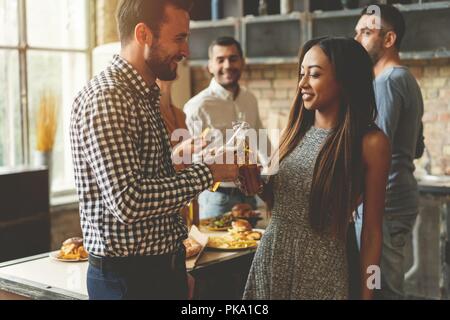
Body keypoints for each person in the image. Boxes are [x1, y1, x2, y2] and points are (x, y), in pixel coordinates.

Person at [70, 0, 238, 300]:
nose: (186, 51)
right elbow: (128, 202)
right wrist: (209, 172)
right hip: (130, 282)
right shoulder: (109, 97)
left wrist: (174, 267)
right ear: (143, 34)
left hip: (159, 271)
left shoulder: (143, 95)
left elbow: (142, 180)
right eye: (178, 38)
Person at [243, 37, 391, 300]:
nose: (302, 84)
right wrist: (257, 185)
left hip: (322, 271)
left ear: (344, 80)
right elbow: (283, 203)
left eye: (314, 74)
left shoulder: (371, 142)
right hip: (271, 258)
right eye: (301, 74)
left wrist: (369, 294)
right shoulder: (295, 131)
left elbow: (372, 233)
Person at [354, 4, 425, 299]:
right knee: (384, 283)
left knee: (380, 288)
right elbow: (417, 147)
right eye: (357, 32)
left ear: (388, 39)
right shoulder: (404, 78)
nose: (357, 40)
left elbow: (375, 152)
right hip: (397, 198)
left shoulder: (387, 82)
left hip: (384, 204)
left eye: (366, 32)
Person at [184, 36, 268, 220]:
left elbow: (261, 140)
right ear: (210, 66)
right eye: (220, 60)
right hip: (216, 199)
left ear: (242, 62)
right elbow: (191, 160)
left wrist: (272, 174)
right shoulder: (197, 106)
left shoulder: (250, 99)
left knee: (252, 247)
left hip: (250, 195)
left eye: (233, 58)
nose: (227, 65)